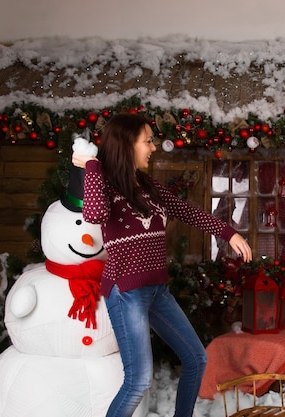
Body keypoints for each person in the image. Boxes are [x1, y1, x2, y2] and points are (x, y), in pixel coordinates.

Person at [72, 113, 253, 417]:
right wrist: (92, 165)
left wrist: (228, 232)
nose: (153, 147)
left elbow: (186, 211)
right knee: (138, 380)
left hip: (156, 290)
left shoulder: (147, 185)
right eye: (147, 141)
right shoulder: (105, 184)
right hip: (126, 291)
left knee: (196, 359)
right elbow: (93, 214)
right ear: (128, 145)